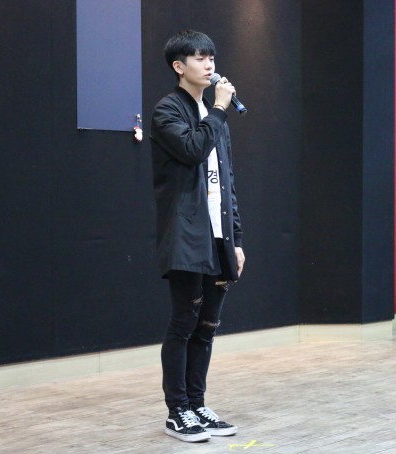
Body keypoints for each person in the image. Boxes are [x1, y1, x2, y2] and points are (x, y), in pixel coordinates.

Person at [149, 29, 245, 443]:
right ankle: (178, 411)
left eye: (211, 57)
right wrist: (219, 108)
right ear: (179, 66)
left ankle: (197, 404)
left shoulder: (214, 115)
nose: (209, 65)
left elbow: (227, 181)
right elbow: (192, 150)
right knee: (184, 322)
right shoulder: (167, 110)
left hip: (218, 236)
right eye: (200, 58)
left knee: (207, 325)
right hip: (188, 236)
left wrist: (236, 238)